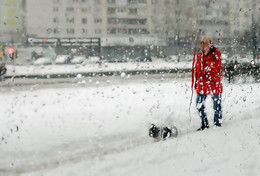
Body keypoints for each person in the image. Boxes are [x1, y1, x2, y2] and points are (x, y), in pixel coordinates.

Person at [193, 36, 223, 130]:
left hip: (213, 82)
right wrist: (196, 81)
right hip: (202, 83)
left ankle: (217, 123)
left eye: (204, 42)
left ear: (209, 44)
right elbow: (197, 69)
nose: (202, 45)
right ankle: (204, 123)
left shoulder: (215, 53)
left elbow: (216, 66)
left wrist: (207, 56)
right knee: (199, 104)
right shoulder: (199, 54)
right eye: (201, 42)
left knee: (216, 104)